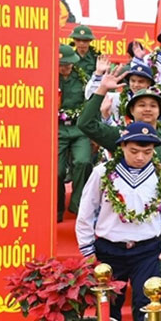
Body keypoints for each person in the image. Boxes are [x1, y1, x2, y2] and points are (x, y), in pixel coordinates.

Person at [78, 69, 161, 321]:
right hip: (117, 239)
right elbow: (87, 124)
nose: (141, 155)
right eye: (141, 104)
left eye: (153, 104)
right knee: (117, 301)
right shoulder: (118, 141)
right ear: (131, 110)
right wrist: (100, 91)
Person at [75, 121, 161, 321]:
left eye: (147, 152)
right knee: (109, 307)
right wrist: (87, 248)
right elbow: (86, 211)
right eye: (134, 150)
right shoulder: (103, 173)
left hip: (147, 248)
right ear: (122, 146)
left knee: (151, 304)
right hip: (109, 249)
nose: (140, 157)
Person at [57, 44, 93, 220]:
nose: (66, 67)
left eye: (69, 64)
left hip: (79, 128)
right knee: (57, 172)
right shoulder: (48, 78)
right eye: (62, 64)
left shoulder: (82, 79)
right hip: (57, 129)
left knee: (83, 162)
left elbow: (92, 101)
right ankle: (57, 208)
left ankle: (77, 204)